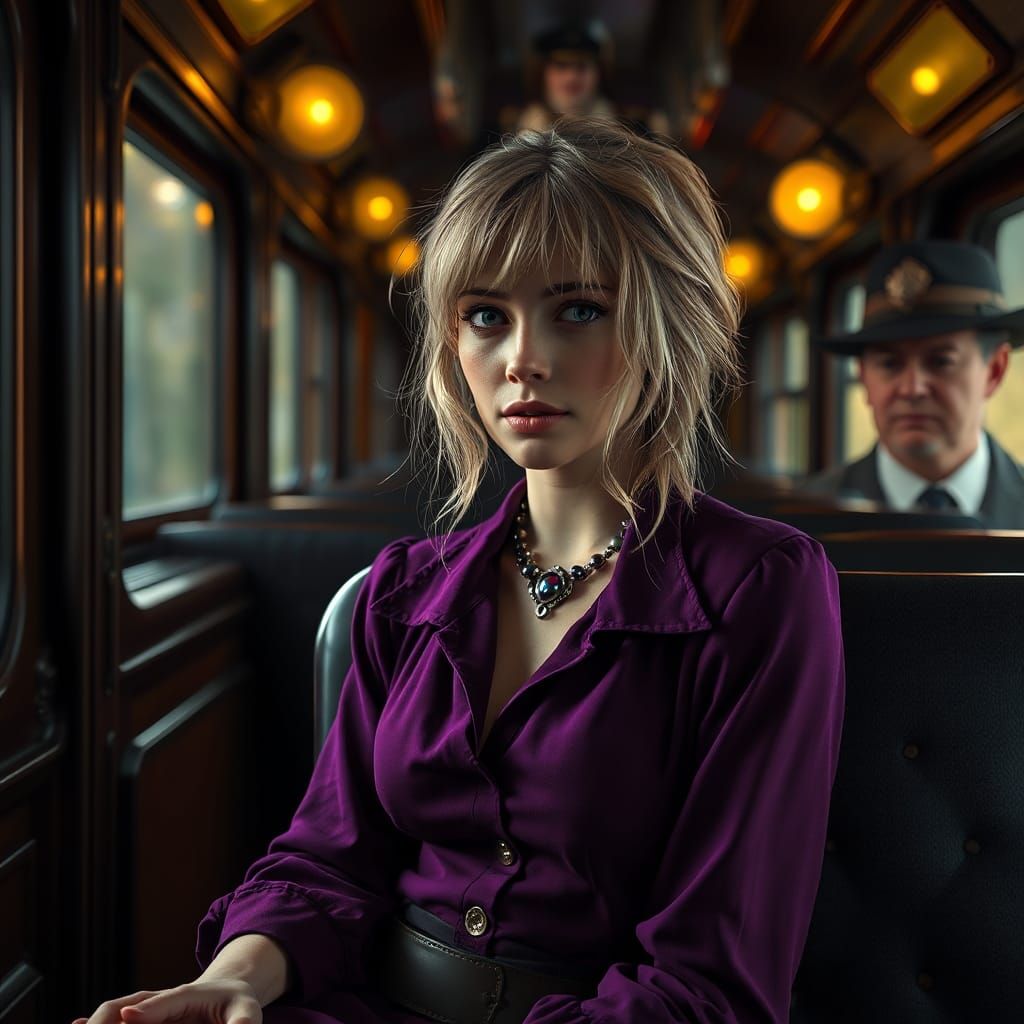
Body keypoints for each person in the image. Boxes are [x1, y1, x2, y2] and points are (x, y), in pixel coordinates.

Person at [76, 119, 845, 1024]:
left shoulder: (760, 589)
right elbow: (328, 858)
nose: (522, 360)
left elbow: (710, 980)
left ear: (670, 322)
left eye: (579, 310)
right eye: (487, 316)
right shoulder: (401, 592)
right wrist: (234, 979)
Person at [801, 241, 1024, 526]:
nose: (911, 389)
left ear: (994, 371)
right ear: (864, 377)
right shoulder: (804, 523)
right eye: (889, 364)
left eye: (940, 362)